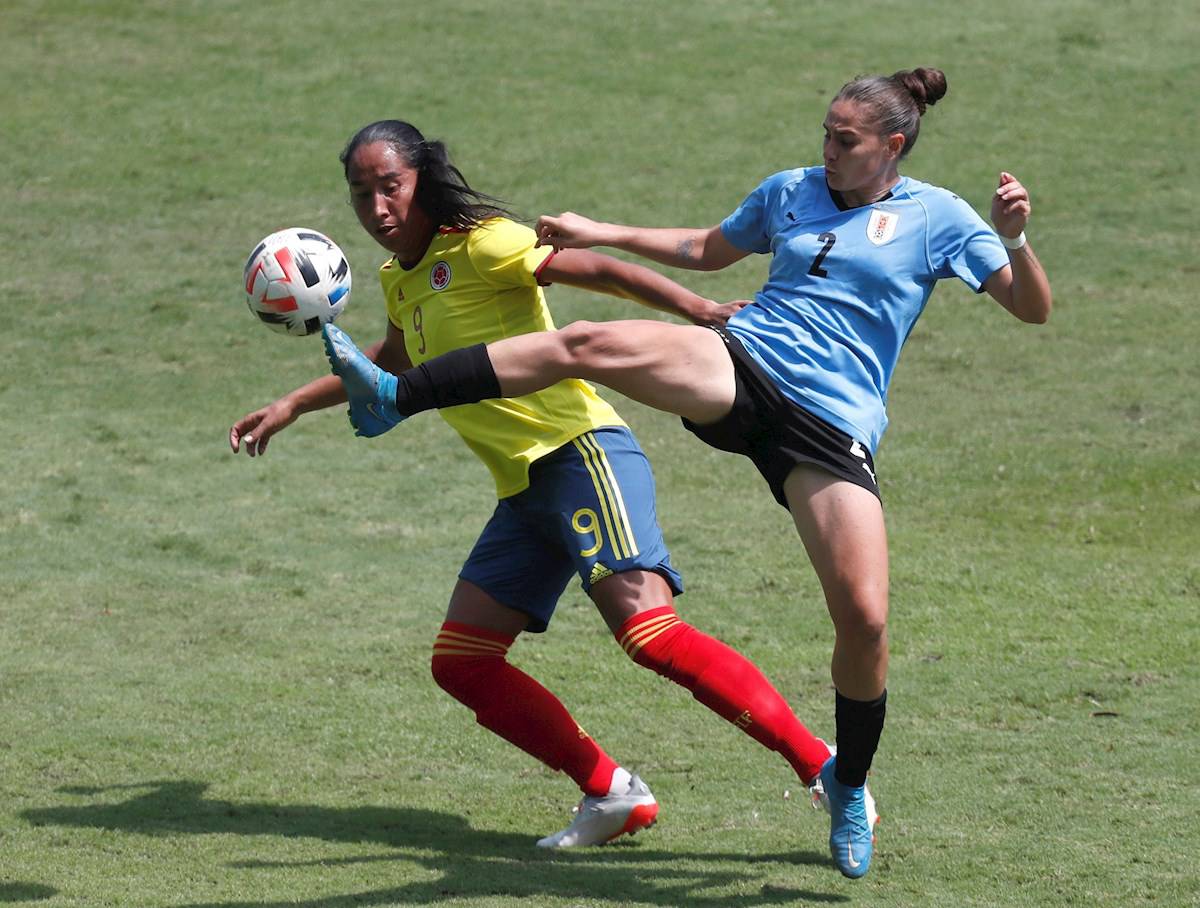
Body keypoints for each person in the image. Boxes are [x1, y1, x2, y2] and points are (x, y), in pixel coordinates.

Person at [321, 69, 1053, 878]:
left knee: (866, 622)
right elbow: (707, 250)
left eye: (845, 140)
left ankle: (846, 783)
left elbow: (1031, 307)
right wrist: (603, 229)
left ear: (894, 144)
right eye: (825, 134)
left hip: (831, 428)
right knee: (588, 342)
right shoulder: (793, 192)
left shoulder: (940, 217)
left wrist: (1013, 238)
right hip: (744, 361)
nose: (829, 151)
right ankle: (398, 398)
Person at [232, 120, 867, 851]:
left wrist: (700, 311)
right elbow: (396, 361)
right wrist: (295, 403)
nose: (377, 207)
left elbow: (587, 269)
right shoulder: (398, 279)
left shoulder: (485, 242)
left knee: (649, 634)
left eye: (390, 186)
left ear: (421, 181)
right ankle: (610, 792)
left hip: (579, 453)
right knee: (463, 662)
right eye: (361, 192)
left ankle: (826, 767)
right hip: (523, 487)